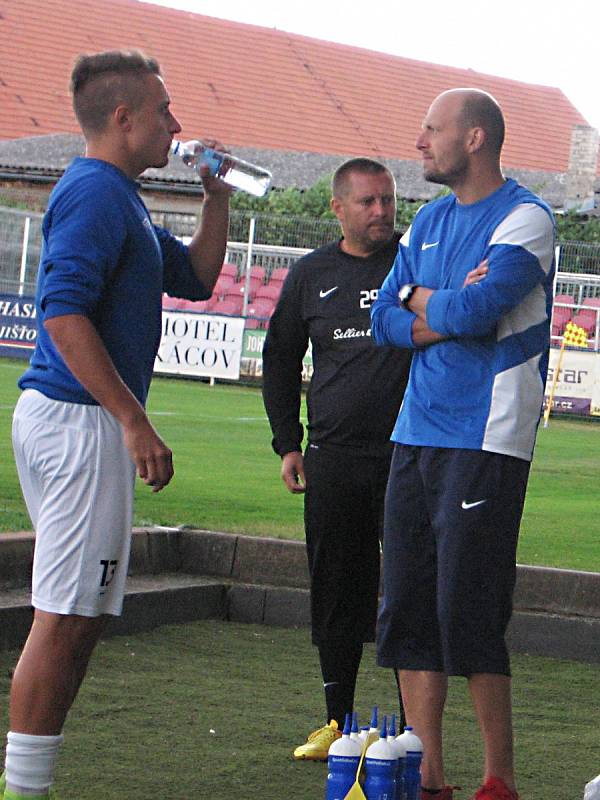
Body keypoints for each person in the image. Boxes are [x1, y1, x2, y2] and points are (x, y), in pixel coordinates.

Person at [3, 50, 230, 800]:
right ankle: (22, 789)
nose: (177, 124)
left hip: (78, 420)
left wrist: (216, 198)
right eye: (166, 110)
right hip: (80, 422)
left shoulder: (123, 197)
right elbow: (62, 312)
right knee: (66, 617)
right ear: (123, 117)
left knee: (81, 613)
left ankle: (30, 781)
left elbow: (194, 279)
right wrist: (133, 420)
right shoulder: (97, 195)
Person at [371, 88, 555, 800]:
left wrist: (424, 299)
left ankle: (497, 781)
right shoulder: (429, 221)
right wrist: (428, 302)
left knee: (467, 608)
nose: (419, 141)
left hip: (486, 437)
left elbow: (480, 313)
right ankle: (429, 778)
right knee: (409, 608)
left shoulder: (525, 218)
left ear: (475, 138)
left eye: (431, 129)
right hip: (415, 432)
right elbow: (384, 316)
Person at [262, 158, 412, 760]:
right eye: (368, 202)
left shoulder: (415, 260)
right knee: (337, 591)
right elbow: (279, 359)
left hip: (409, 457)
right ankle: (336, 720)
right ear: (338, 208)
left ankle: (411, 726)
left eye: (388, 200)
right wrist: (287, 443)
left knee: (406, 590)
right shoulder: (311, 274)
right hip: (334, 459)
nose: (381, 212)